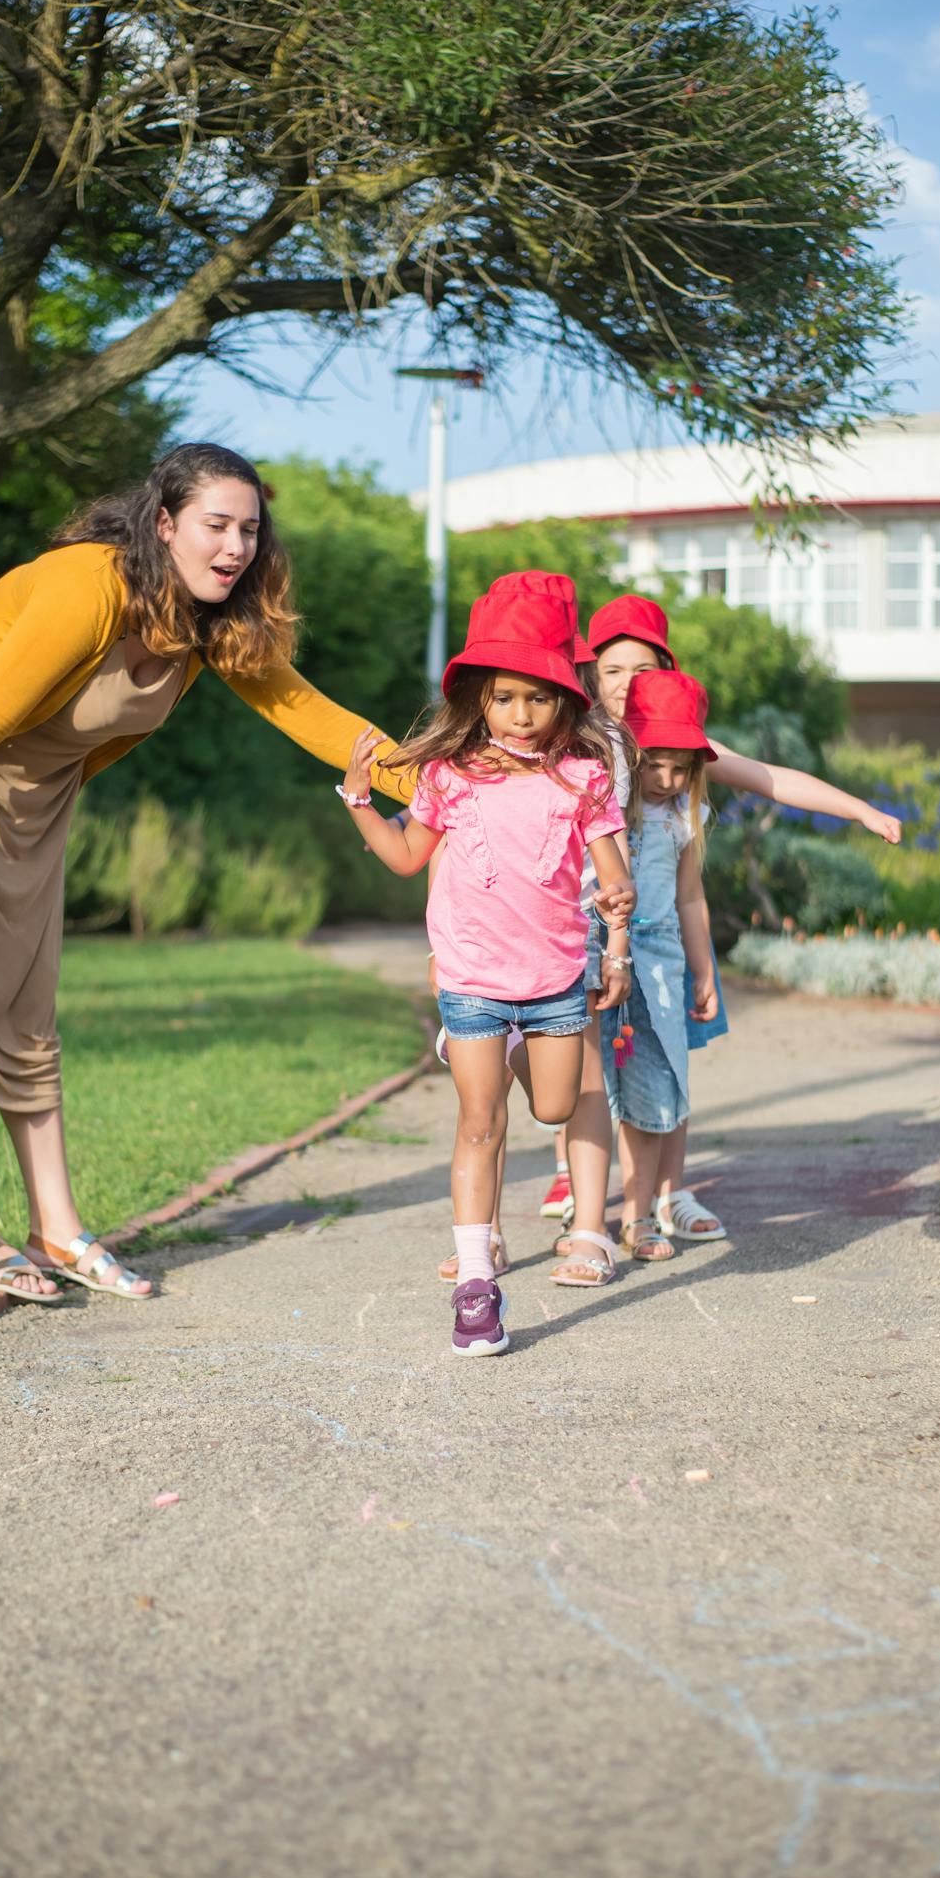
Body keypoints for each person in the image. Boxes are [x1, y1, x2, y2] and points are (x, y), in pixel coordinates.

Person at [0, 442, 404, 1303]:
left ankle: (58, 1229)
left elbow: (321, 721)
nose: (234, 548)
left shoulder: (211, 623)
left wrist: (454, 782)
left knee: (25, 1003)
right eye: (214, 526)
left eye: (249, 531)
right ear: (163, 523)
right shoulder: (90, 585)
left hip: (35, 792)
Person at [550, 594, 904, 1287]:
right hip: (586, 941)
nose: (625, 682)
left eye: (642, 666)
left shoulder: (680, 753)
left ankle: (661, 1196)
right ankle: (579, 1189)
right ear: (590, 675)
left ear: (666, 671)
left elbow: (772, 782)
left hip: (657, 948)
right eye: (612, 667)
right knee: (583, 1076)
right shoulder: (579, 741)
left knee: (663, 1070)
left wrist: (858, 808)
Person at [335, 572, 634, 1356]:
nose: (521, 715)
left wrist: (617, 918)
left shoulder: (582, 777)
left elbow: (612, 874)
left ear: (564, 701)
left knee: (555, 1109)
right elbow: (405, 859)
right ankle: (477, 1287)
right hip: (471, 981)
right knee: (479, 1123)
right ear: (479, 699)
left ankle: (511, 1052)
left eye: (537, 698)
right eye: (504, 698)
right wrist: (361, 803)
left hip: (555, 983)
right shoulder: (450, 776)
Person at [597, 668, 719, 1255]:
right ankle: (589, 1219)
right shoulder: (603, 808)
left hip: (662, 967)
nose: (668, 780)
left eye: (681, 768)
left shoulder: (682, 819)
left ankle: (639, 1216)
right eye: (656, 764)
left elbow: (690, 897)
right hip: (599, 959)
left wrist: (703, 972)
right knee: (591, 1094)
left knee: (651, 1092)